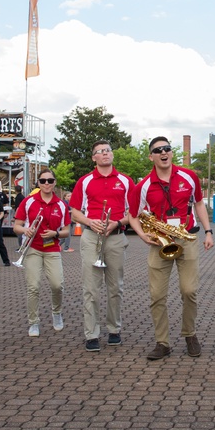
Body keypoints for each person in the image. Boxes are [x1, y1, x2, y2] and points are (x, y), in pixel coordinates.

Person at [128, 136, 215, 359]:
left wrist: (208, 231)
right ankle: (162, 342)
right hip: (159, 242)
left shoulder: (189, 176)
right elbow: (133, 215)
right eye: (158, 150)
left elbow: (198, 204)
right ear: (151, 156)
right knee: (157, 295)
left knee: (189, 290)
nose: (163, 153)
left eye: (167, 149)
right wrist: (142, 235)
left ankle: (190, 334)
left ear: (171, 152)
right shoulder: (144, 185)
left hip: (187, 238)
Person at [70, 140, 133, 352]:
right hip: (91, 236)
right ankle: (92, 334)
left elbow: (134, 212)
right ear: (93, 157)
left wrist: (118, 222)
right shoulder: (85, 181)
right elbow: (75, 212)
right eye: (100, 151)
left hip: (115, 236)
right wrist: (89, 221)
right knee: (91, 289)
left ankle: (114, 329)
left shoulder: (125, 181)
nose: (105, 154)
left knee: (116, 287)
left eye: (108, 150)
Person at [13, 169, 71, 337]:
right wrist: (26, 230)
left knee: (57, 284)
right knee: (33, 287)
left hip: (52, 248)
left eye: (50, 180)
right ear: (38, 182)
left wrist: (56, 234)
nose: (47, 183)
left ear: (55, 183)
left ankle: (57, 312)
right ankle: (33, 322)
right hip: (32, 248)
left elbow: (67, 230)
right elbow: (17, 225)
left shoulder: (60, 204)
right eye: (43, 180)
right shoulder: (29, 201)